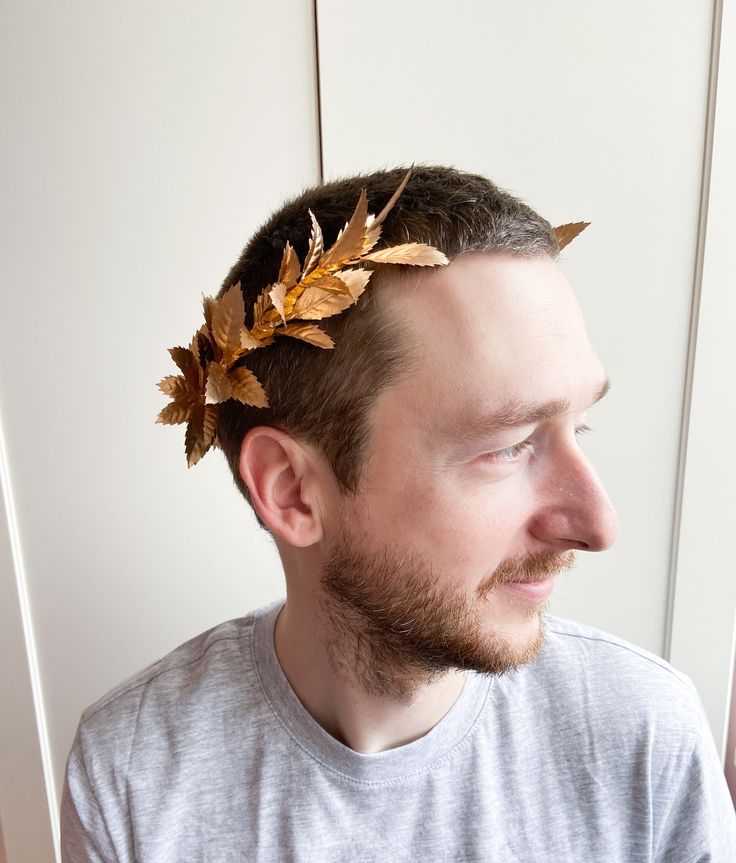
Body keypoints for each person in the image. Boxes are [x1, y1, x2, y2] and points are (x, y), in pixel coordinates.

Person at [60, 165, 736, 862]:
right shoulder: (134, 776)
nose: (599, 523)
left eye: (579, 426)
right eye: (507, 447)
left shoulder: (643, 739)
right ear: (292, 491)